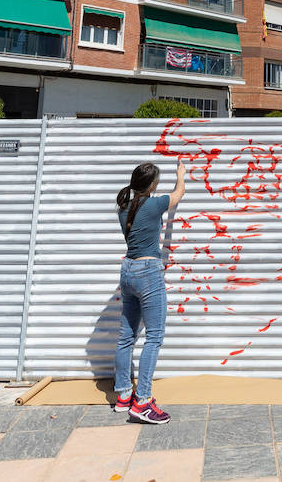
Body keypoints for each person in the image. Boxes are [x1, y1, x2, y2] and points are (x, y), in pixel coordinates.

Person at [112, 159, 186, 424]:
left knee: (126, 337)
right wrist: (181, 174)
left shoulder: (123, 208)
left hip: (128, 271)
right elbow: (178, 195)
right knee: (154, 337)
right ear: (152, 185)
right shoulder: (154, 204)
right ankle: (142, 401)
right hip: (148, 272)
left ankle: (123, 395)